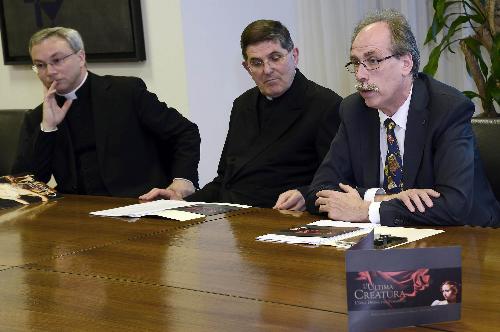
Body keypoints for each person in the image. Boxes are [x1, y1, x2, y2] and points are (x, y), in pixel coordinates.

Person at [305, 9, 500, 226]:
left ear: (406, 64)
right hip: (390, 239)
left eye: (372, 61)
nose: (360, 74)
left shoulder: (447, 108)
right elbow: (319, 192)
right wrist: (381, 197)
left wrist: (368, 210)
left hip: (470, 238)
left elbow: (454, 205)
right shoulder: (354, 110)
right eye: (356, 63)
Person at [141, 19, 342, 210]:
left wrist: (304, 194)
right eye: (256, 62)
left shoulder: (325, 105)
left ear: (294, 55)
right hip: (231, 218)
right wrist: (180, 204)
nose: (267, 70)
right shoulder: (242, 104)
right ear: (247, 68)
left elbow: (339, 180)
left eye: (275, 57)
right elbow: (225, 180)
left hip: (279, 218)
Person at [13, 27, 200, 198]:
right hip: (75, 213)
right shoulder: (37, 117)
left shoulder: (125, 92)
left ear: (80, 57)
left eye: (57, 60)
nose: (49, 72)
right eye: (40, 65)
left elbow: (185, 132)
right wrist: (48, 128)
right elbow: (25, 184)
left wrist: (183, 180)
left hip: (138, 202)